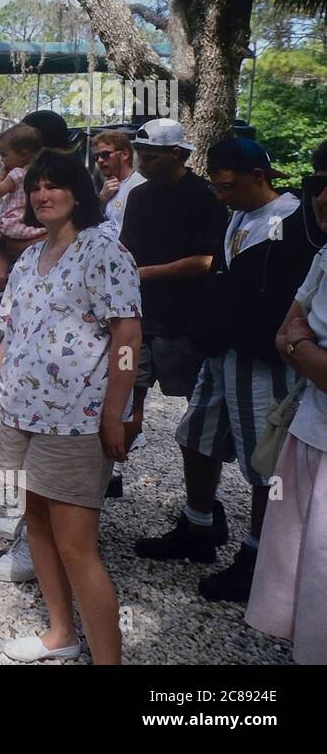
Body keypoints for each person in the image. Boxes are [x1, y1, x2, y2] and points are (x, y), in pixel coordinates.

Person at [0, 150, 141, 664]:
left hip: (76, 421)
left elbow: (127, 334)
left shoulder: (104, 251)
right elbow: (11, 335)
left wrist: (115, 411)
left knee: (77, 546)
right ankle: (61, 633)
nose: (43, 195)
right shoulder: (29, 257)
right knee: (36, 524)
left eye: (54, 185)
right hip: (23, 414)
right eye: (36, 187)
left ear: (79, 191)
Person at [136, 138, 319, 602]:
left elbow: (292, 292)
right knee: (195, 436)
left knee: (266, 462)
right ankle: (199, 525)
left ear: (258, 176)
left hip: (262, 359)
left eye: (226, 186)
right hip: (220, 352)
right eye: (216, 187)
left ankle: (260, 556)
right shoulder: (237, 214)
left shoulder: (295, 222)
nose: (219, 195)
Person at [118, 118, 227, 496]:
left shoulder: (207, 196)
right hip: (139, 324)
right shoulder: (139, 197)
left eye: (149, 157)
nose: (142, 164)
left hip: (186, 325)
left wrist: (147, 274)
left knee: (197, 416)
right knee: (125, 400)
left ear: (177, 154)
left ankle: (201, 506)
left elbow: (211, 260)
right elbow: (125, 251)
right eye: (140, 156)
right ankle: (110, 477)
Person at [248, 140, 327, 662]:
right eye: (320, 183)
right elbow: (285, 330)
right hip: (308, 433)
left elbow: (293, 339)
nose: (324, 196)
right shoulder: (324, 254)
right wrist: (303, 346)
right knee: (304, 568)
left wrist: (300, 343)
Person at [0, 123, 45, 291]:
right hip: (26, 223)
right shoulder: (38, 174)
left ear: (23, 155)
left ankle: (1, 273)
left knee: (0, 243)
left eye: (4, 155)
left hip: (12, 222)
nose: (2, 160)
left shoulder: (16, 174)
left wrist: (1, 174)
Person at [92, 131, 146, 234]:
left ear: (125, 154)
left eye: (105, 154)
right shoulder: (107, 187)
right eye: (96, 157)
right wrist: (101, 199)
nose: (99, 160)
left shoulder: (139, 186)